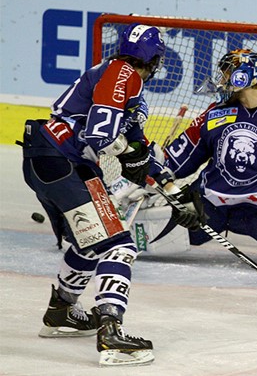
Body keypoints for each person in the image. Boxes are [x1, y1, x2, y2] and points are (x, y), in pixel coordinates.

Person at [20, 23, 165, 366]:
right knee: (119, 245)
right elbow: (102, 137)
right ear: (155, 57)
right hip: (62, 161)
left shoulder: (124, 78)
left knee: (89, 241)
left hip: (50, 160)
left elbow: (137, 144)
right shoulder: (122, 72)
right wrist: (129, 154)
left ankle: (61, 313)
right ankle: (111, 332)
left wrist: (167, 181)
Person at [129, 49, 257, 260]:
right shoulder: (214, 113)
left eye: (226, 75)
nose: (221, 81)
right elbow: (178, 159)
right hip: (209, 207)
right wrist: (152, 173)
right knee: (140, 241)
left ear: (244, 76)